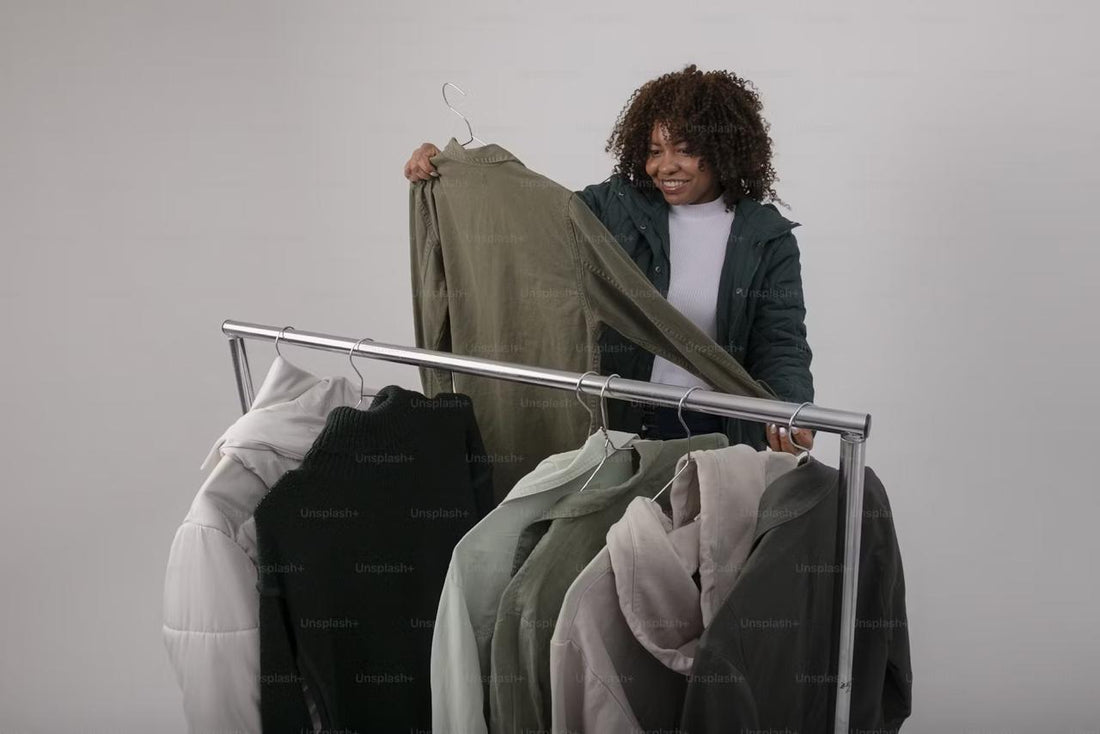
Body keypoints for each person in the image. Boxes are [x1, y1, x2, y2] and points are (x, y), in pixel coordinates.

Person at [404, 63, 815, 456]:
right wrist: (454, 172)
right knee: (613, 532)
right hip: (614, 424)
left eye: (685, 151)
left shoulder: (766, 238)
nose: (664, 166)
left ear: (724, 150)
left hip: (713, 433)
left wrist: (790, 411)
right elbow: (537, 214)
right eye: (654, 151)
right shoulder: (616, 206)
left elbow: (781, 342)